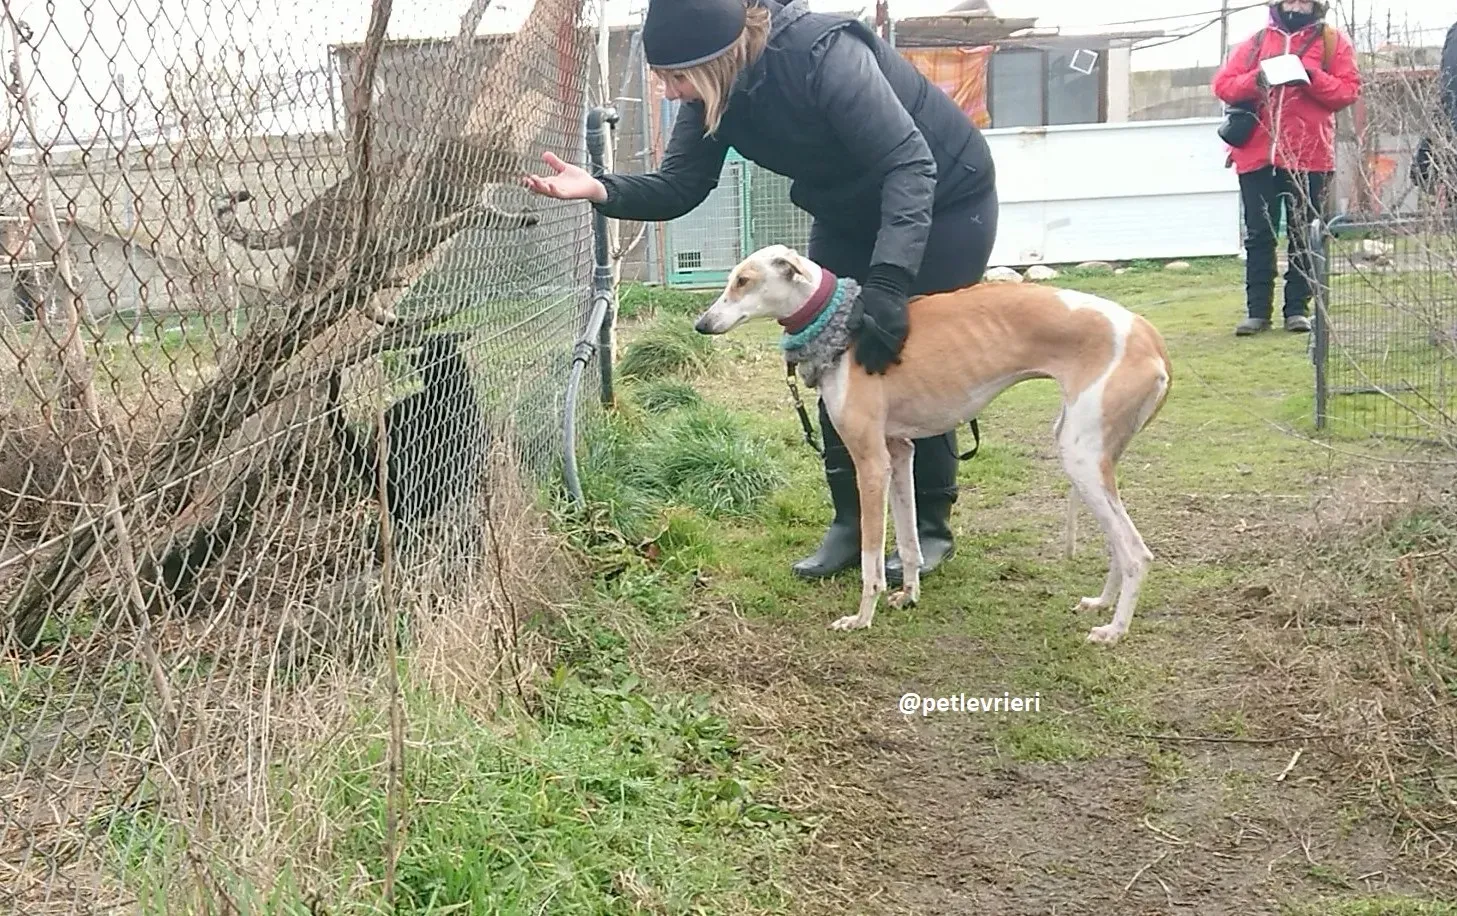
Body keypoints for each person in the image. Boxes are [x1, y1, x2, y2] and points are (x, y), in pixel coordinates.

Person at [524, 0, 999, 584]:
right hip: (846, 213)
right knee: (830, 355)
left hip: (943, 200)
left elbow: (908, 165)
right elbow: (680, 185)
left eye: (676, 78)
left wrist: (889, 283)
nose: (670, 93)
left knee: (901, 346)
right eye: (662, 78)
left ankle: (928, 525)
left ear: (718, 58)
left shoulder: (823, 54)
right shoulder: (710, 94)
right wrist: (601, 187)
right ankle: (851, 520)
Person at [1212, 0, 1361, 337]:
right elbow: (1224, 85)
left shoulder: (1334, 43)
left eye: (1304, 1)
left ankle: (1297, 310)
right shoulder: (1254, 43)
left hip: (1309, 156)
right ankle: (1257, 312)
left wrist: (1310, 77)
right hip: (1256, 154)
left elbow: (1348, 91)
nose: (1296, 6)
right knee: (1259, 235)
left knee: (1303, 235)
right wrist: (1259, 78)